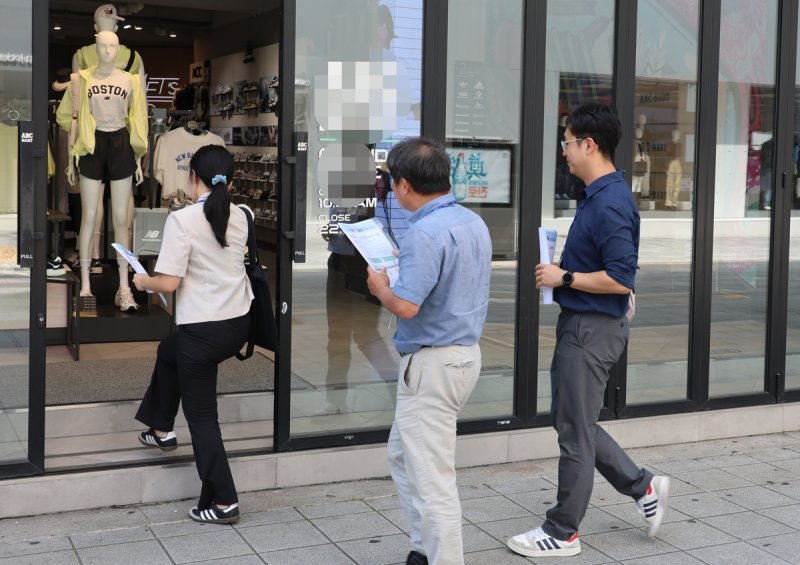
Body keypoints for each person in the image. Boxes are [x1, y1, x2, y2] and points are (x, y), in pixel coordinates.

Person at [507, 104, 669, 558]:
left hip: (592, 328)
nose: (564, 152)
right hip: (584, 324)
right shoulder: (598, 196)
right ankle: (642, 486)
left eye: (566, 142)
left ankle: (562, 532)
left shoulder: (612, 202)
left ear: (588, 145)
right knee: (574, 421)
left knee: (574, 433)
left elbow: (621, 277)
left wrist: (566, 279)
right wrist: (565, 271)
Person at [366, 138, 492, 565]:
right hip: (462, 356)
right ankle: (423, 548)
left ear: (403, 185)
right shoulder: (471, 221)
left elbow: (406, 305)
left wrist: (382, 288)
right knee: (403, 457)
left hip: (433, 364)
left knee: (432, 477)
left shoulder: (423, 231)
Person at [132, 145, 253, 525]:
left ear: (192, 178)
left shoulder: (182, 219)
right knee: (169, 350)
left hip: (203, 329)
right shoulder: (243, 215)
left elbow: (169, 282)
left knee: (203, 420)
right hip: (237, 324)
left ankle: (224, 502)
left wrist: (141, 280)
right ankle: (161, 429)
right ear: (231, 180)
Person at [56, 30, 148, 310]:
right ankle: (85, 285)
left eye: (112, 46)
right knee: (90, 216)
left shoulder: (130, 80)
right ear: (95, 48)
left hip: (120, 142)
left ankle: (124, 286)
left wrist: (139, 157)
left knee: (122, 218)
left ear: (118, 48)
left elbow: (138, 118)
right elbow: (68, 118)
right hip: (92, 142)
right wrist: (72, 158)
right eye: (103, 46)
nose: (108, 50)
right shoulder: (81, 79)